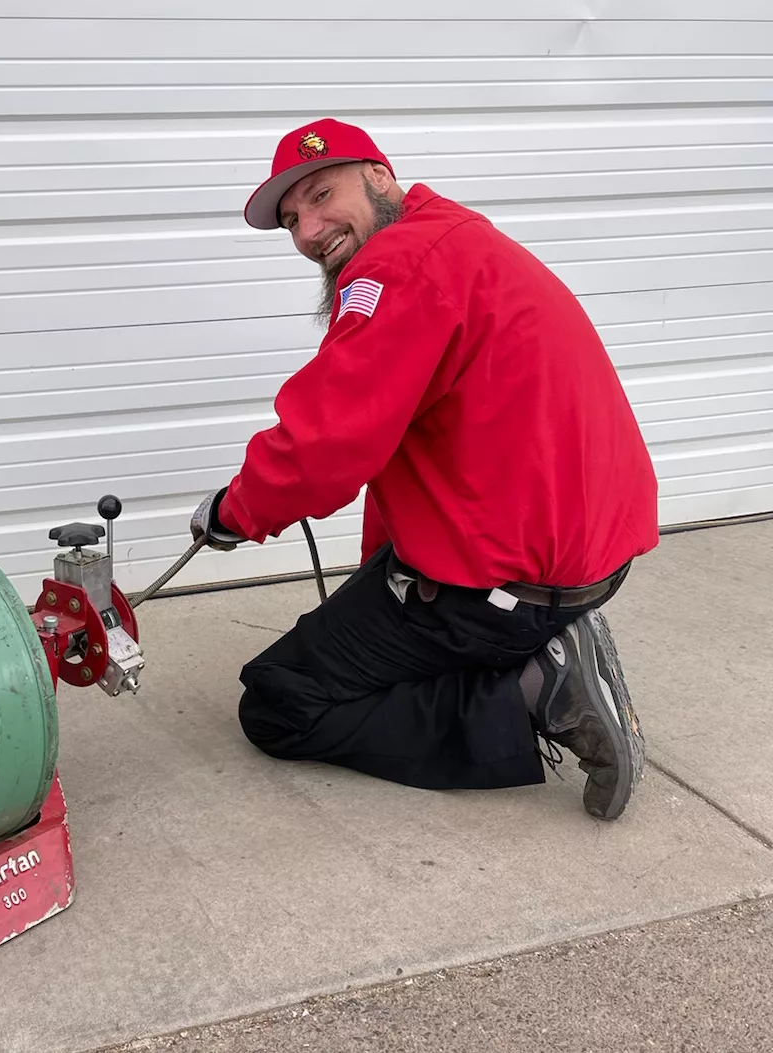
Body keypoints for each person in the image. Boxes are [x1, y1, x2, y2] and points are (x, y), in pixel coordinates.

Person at [190, 118, 658, 820]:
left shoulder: (397, 267)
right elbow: (401, 433)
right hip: (588, 554)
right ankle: (540, 646)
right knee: (361, 620)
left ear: (379, 175)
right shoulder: (454, 237)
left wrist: (235, 510)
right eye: (292, 219)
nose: (309, 230)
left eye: (321, 195)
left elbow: (325, 447)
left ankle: (534, 686)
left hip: (509, 581)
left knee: (280, 698)